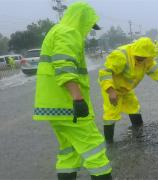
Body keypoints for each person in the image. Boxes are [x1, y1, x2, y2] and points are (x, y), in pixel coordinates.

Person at [33, 2, 112, 180]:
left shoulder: (56, 31)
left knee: (69, 151)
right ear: (81, 19)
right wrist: (77, 98)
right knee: (95, 148)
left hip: (53, 107)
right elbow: (64, 65)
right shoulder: (69, 32)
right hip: (68, 105)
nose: (89, 30)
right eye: (89, 25)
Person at [98, 37, 158, 143]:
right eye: (139, 58)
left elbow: (157, 72)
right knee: (111, 115)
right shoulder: (120, 55)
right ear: (135, 51)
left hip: (126, 89)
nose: (141, 60)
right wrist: (110, 91)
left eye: (143, 58)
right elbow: (104, 73)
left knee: (134, 108)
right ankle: (109, 143)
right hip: (112, 88)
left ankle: (138, 133)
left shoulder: (147, 58)